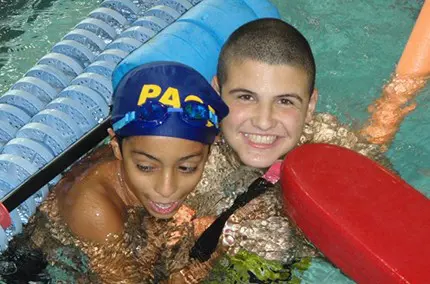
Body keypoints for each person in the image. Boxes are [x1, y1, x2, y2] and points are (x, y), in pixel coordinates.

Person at [183, 18, 393, 283]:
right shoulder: (187, 153)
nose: (263, 121)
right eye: (246, 97)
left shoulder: (336, 148)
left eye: (284, 101)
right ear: (216, 93)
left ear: (310, 105)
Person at [0, 61, 230, 283]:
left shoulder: (140, 146)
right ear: (116, 148)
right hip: (41, 268)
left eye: (186, 168)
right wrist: (198, 265)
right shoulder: (94, 211)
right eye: (146, 167)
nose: (166, 188)